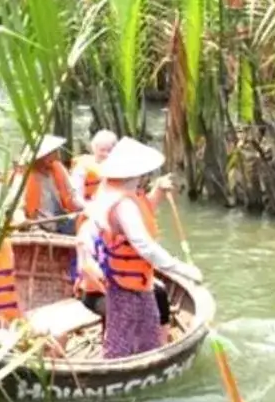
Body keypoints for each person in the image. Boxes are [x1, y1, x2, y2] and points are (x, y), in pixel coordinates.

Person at [84, 138, 201, 358]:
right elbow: (144, 245)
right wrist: (180, 268)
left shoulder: (116, 190)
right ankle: (114, 375)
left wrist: (157, 190)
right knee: (120, 341)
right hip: (124, 284)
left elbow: (143, 210)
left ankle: (148, 360)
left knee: (149, 330)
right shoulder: (122, 202)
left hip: (135, 281)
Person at [16, 134, 81, 234]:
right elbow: (17, 210)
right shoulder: (23, 178)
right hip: (41, 226)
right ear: (40, 157)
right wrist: (28, 225)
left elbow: (71, 197)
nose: (55, 156)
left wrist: (85, 209)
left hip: (63, 220)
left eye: (54, 152)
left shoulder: (58, 169)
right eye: (50, 153)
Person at [73, 129, 118, 203]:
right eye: (102, 150)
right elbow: (77, 195)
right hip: (89, 206)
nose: (106, 154)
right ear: (94, 149)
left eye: (110, 150)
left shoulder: (120, 168)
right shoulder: (82, 167)